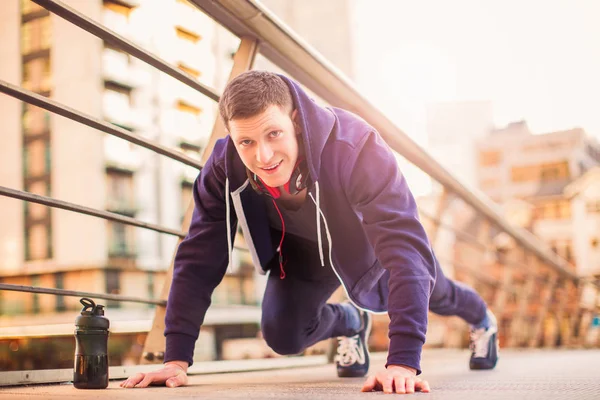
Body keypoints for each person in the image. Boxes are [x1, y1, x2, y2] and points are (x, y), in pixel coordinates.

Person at [120, 71, 499, 394]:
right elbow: (199, 257)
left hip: (366, 245)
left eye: (274, 134)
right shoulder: (223, 166)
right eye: (246, 142)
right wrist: (176, 358)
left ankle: (482, 320)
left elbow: (405, 252)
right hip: (300, 252)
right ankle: (352, 323)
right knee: (282, 335)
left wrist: (402, 362)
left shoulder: (356, 146)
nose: (263, 157)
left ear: (296, 120)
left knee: (433, 286)